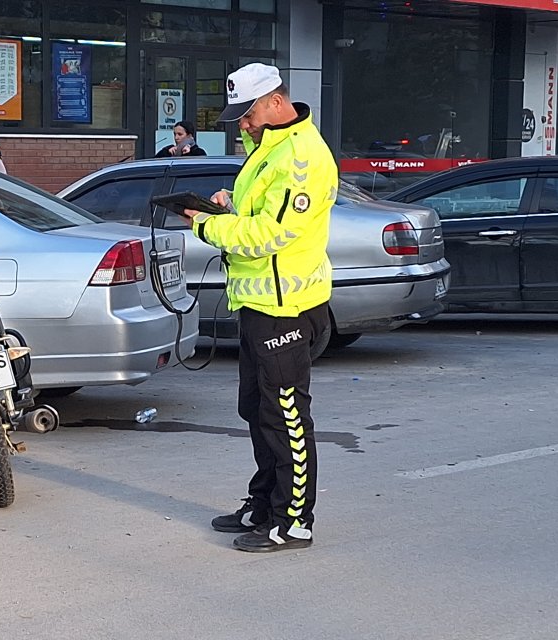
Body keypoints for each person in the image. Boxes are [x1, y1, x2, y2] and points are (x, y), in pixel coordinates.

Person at [179, 63, 337, 553]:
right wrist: (230, 207)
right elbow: (260, 215)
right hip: (257, 301)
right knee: (257, 409)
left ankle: (294, 522)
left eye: (245, 115)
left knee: (286, 417)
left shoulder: (303, 157)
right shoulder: (268, 149)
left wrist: (208, 227)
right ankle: (264, 504)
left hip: (286, 308)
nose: (241, 125)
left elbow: (274, 234)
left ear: (274, 101)